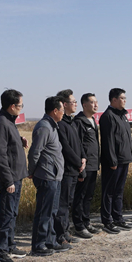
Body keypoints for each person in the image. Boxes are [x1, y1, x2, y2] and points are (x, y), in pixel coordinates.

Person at [0, 89, 30, 262]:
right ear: (12, 106)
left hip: (17, 176)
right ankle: (1, 253)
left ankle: (10, 245)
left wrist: (19, 141)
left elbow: (8, 147)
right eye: (20, 105)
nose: (21, 108)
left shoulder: (9, 122)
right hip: (10, 179)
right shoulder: (1, 123)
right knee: (6, 215)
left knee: (12, 213)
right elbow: (0, 155)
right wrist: (8, 180)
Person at [27, 96, 68, 256]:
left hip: (55, 176)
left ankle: (50, 241)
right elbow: (35, 152)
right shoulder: (44, 127)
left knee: (52, 211)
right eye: (62, 110)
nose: (64, 113)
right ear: (55, 111)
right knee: (44, 212)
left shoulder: (52, 126)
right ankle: (38, 245)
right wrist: (32, 171)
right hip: (46, 175)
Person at [99, 88, 132, 234]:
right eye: (122, 98)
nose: (125, 101)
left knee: (119, 191)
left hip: (124, 159)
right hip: (113, 162)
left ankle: (118, 217)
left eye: (125, 98)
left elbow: (126, 139)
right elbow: (108, 141)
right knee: (109, 192)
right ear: (114, 100)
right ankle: (107, 221)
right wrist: (112, 161)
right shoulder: (108, 116)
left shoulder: (123, 116)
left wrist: (130, 155)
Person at [54, 90, 86, 245]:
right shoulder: (60, 124)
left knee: (68, 203)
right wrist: (78, 163)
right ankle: (60, 235)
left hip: (75, 169)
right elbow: (66, 148)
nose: (75, 105)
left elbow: (79, 144)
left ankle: (65, 232)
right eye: (73, 102)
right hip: (67, 170)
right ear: (64, 104)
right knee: (62, 204)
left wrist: (83, 158)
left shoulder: (72, 122)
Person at [71, 93, 102, 238]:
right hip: (84, 165)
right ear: (84, 105)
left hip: (94, 164)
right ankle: (78, 225)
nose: (96, 105)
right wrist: (80, 164)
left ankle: (86, 221)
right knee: (80, 196)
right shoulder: (79, 122)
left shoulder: (93, 121)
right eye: (92, 102)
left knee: (88, 196)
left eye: (96, 102)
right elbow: (77, 144)